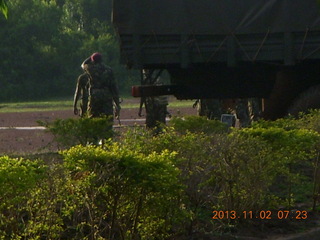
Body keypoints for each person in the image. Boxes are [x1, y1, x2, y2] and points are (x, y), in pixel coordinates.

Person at [81, 52, 121, 120]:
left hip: (94, 96)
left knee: (93, 117)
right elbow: (113, 87)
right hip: (106, 96)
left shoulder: (90, 69)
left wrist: (90, 57)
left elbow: (83, 64)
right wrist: (117, 104)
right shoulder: (109, 70)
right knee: (108, 118)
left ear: (93, 61)